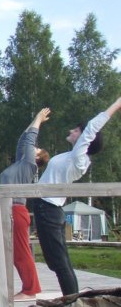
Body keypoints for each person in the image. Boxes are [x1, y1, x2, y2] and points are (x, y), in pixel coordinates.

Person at [32, 97, 121, 296]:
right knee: (58, 261)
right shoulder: (71, 156)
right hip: (48, 208)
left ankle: (72, 301)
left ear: (84, 138)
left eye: (76, 130)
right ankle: (72, 299)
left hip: (48, 208)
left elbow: (91, 129)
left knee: (58, 262)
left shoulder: (79, 158)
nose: (72, 131)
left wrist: (116, 105)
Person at [0, 108, 51, 301]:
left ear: (37, 157)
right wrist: (34, 121)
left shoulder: (30, 165)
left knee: (22, 253)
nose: (34, 148)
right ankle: (28, 288)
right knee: (15, 254)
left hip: (17, 211)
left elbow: (29, 142)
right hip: (8, 210)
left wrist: (38, 119)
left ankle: (30, 290)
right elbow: (23, 140)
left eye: (37, 149)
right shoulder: (21, 164)